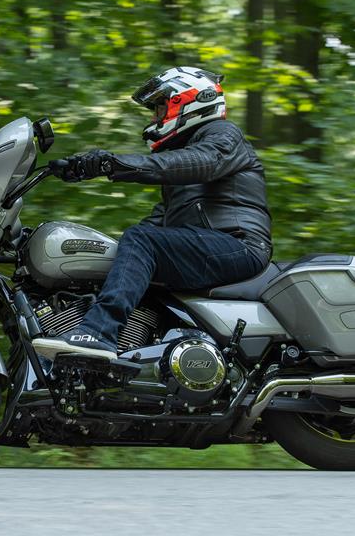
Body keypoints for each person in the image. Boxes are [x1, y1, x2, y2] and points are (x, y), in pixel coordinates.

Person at [32, 67, 272, 360]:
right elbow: (155, 226)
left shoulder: (222, 135)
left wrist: (110, 164)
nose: (154, 117)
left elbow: (200, 162)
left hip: (238, 245)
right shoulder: (184, 171)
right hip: (207, 244)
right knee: (129, 251)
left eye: (160, 106)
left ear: (191, 101)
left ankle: (97, 332)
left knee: (141, 239)